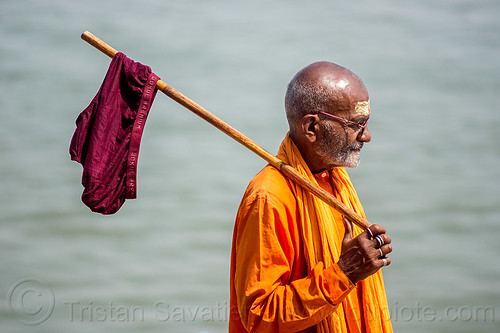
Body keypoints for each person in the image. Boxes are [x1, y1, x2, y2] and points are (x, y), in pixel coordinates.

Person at [229, 61, 393, 332]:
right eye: (355, 124)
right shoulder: (269, 197)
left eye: (365, 123)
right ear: (312, 128)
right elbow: (260, 316)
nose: (367, 136)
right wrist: (345, 272)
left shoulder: (334, 178)